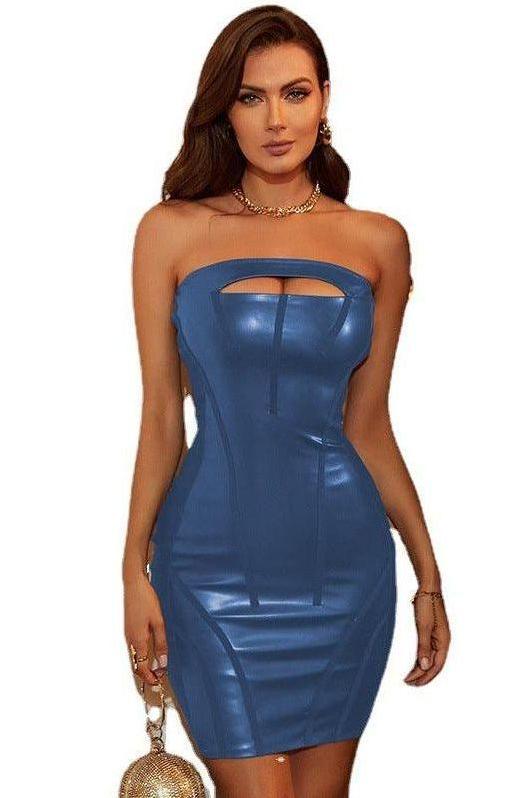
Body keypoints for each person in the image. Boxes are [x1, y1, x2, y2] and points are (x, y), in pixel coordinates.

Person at [122, 6, 451, 797]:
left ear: (325, 99)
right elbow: (161, 418)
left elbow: (368, 426)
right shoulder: (170, 232)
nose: (276, 119)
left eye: (295, 93)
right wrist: (132, 569)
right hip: (207, 568)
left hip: (343, 568)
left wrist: (429, 573)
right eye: (251, 97)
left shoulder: (378, 241)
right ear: (223, 110)